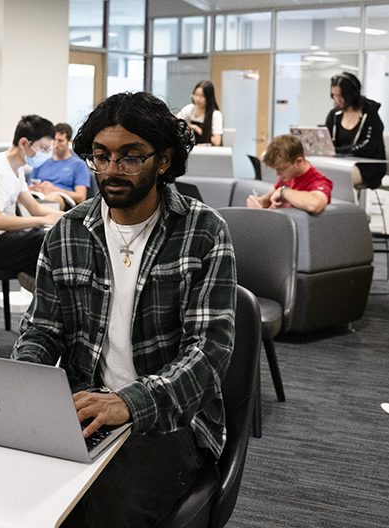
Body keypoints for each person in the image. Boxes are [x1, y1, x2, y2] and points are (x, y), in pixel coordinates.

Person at [14, 92, 236, 528]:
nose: (112, 170)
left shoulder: (204, 232)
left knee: (109, 506)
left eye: (130, 158)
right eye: (101, 156)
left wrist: (128, 403)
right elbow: (41, 332)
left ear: (165, 159)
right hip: (81, 410)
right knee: (10, 489)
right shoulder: (68, 232)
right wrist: (23, 388)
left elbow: (209, 354)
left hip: (173, 420)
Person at [0, 114, 63, 279]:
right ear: (24, 143)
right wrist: (43, 221)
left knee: (51, 240)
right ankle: (41, 287)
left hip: (5, 238)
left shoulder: (17, 169)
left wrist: (68, 217)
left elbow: (34, 207)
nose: (45, 154)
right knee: (48, 241)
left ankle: (39, 285)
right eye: (43, 148)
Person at [324, 71, 386, 189]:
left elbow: (368, 147)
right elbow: (327, 140)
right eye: (334, 95)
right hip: (340, 162)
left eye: (341, 95)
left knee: (334, 180)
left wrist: (336, 151)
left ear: (352, 94)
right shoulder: (334, 115)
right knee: (315, 175)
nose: (337, 100)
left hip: (368, 167)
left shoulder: (370, 114)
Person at [246, 134, 332, 214]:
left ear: (298, 161)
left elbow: (315, 204)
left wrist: (283, 191)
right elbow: (270, 198)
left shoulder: (319, 181)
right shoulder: (288, 175)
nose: (277, 174)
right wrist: (261, 202)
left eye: (281, 170)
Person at [29, 122, 91, 209]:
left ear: (69, 141)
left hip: (62, 201)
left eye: (60, 141)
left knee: (52, 198)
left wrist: (54, 190)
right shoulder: (41, 163)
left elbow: (81, 197)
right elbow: (28, 187)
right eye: (54, 140)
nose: (56, 144)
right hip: (38, 197)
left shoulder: (79, 165)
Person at [175, 80, 223, 146]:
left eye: (202, 96)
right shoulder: (190, 108)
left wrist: (197, 128)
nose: (198, 99)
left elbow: (217, 141)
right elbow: (175, 120)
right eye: (196, 95)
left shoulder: (215, 114)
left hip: (209, 152)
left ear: (208, 98)